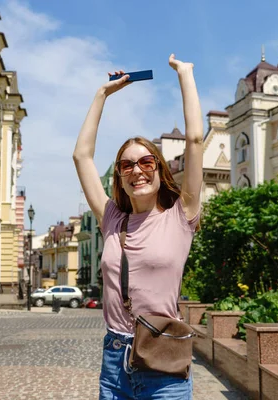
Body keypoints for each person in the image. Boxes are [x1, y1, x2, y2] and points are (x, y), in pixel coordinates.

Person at [73, 54, 203, 399]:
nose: (137, 170)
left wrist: (184, 75)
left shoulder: (181, 215)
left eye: (146, 162)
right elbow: (81, 157)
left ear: (160, 170)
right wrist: (102, 93)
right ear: (119, 176)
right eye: (126, 165)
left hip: (163, 359)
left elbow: (194, 142)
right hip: (115, 360)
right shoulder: (112, 219)